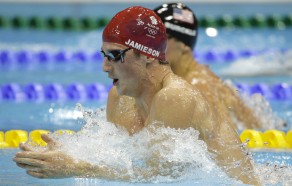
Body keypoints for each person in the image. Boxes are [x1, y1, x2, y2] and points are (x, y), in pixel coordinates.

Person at [13, 6, 260, 185]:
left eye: (115, 55)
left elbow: (162, 178)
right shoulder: (120, 99)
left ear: (149, 55)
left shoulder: (175, 97)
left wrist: (78, 167)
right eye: (104, 55)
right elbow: (124, 164)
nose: (105, 67)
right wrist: (70, 154)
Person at [153, 3, 263, 130]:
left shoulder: (197, 86)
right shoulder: (193, 76)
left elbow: (227, 138)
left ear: (183, 44)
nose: (151, 45)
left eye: (160, 38)